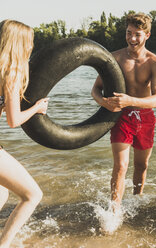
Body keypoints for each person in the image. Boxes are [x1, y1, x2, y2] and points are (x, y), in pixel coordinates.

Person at [91, 13, 156, 210]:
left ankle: (136, 203)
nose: (132, 39)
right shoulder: (114, 58)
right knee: (121, 166)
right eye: (129, 33)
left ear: (147, 35)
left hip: (146, 118)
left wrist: (130, 100)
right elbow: (95, 89)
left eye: (138, 34)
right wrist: (103, 102)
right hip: (121, 117)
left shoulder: (155, 63)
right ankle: (114, 211)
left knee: (141, 166)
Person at [0, 20, 49, 248]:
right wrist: (37, 108)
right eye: (29, 41)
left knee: (2, 194)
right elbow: (13, 120)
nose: (31, 46)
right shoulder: (11, 71)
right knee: (32, 195)